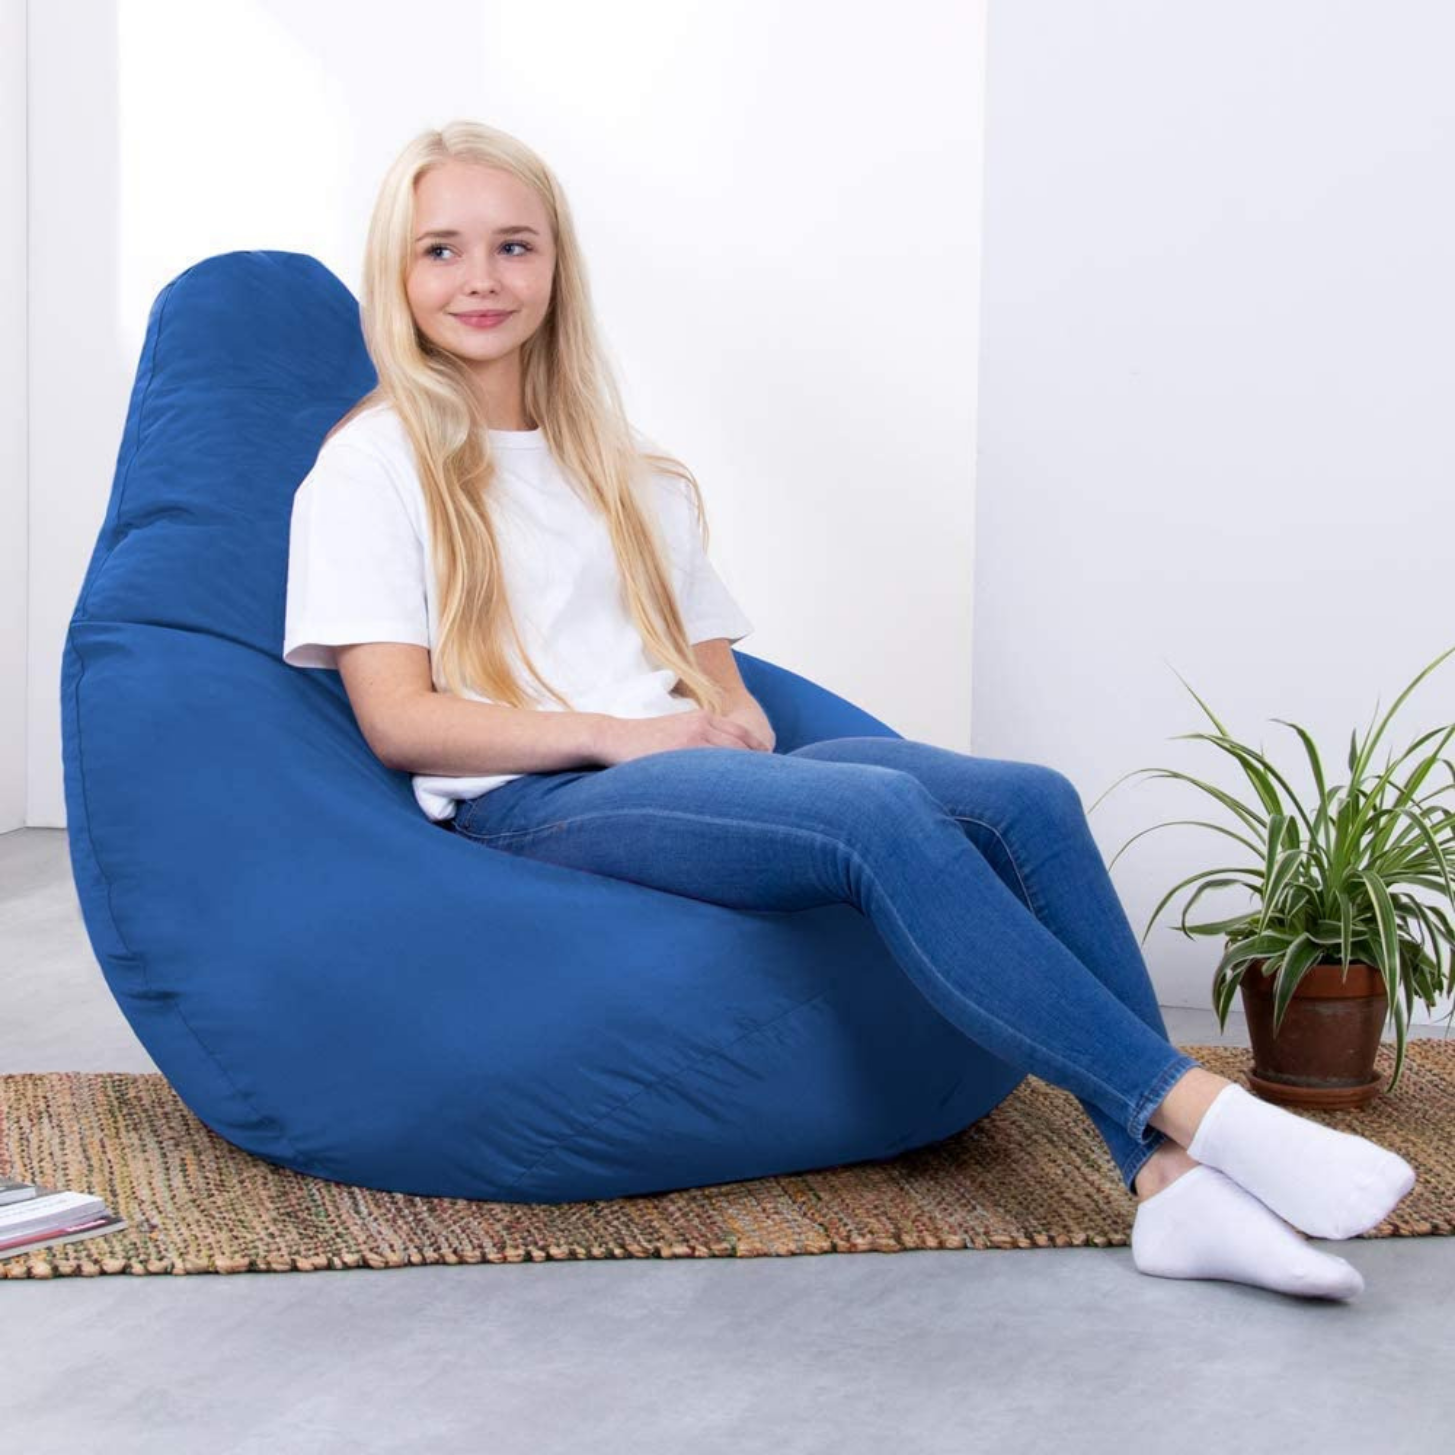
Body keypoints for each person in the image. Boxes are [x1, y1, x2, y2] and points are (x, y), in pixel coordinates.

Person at [282, 120, 1416, 1300]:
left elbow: (714, 675)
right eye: (441, 252)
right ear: (396, 276)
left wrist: (723, 719)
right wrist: (625, 736)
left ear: (558, 266)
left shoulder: (620, 464)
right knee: (871, 814)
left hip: (674, 765)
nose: (480, 281)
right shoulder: (374, 465)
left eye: (514, 246)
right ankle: (1210, 1114)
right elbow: (398, 719)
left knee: (1027, 798)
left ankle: (1169, 1186)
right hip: (536, 797)